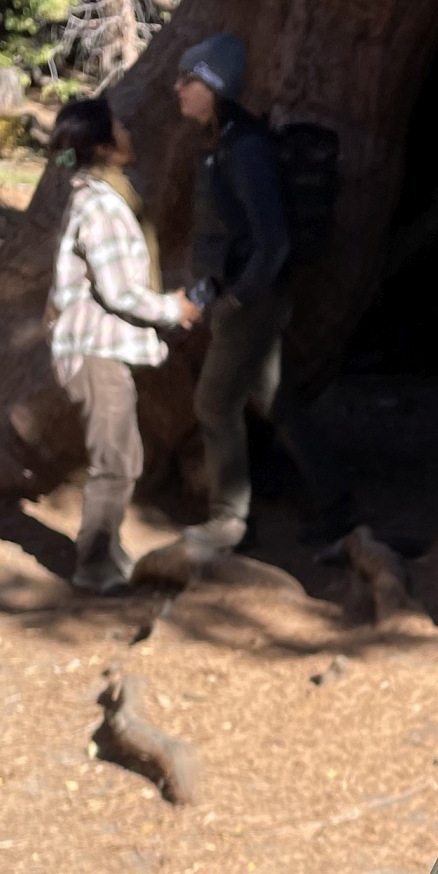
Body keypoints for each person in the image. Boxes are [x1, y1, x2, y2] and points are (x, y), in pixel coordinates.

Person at [173, 35, 352, 549]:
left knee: (212, 405)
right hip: (243, 298)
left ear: (214, 84)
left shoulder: (245, 147)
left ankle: (230, 521)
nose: (178, 88)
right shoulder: (224, 139)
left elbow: (272, 241)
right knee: (275, 400)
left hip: (252, 302)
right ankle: (337, 506)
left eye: (189, 79)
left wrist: (232, 302)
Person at [47, 95, 203, 593]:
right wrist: (171, 309)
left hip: (99, 349)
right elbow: (117, 290)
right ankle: (94, 565)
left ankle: (109, 551)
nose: (128, 131)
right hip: (95, 351)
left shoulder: (102, 195)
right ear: (105, 145)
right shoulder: (102, 204)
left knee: (124, 456)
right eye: (119, 126)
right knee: (114, 461)